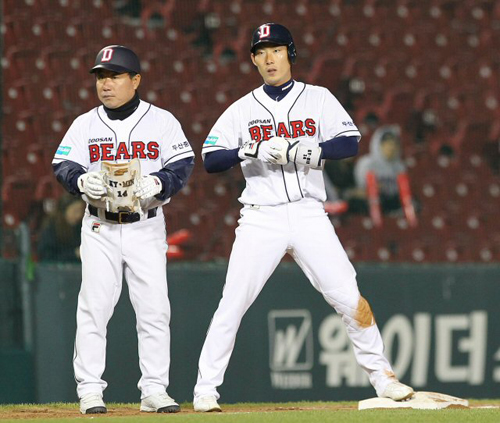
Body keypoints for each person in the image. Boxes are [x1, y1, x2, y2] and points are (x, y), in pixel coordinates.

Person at [193, 23, 414, 413]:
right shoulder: (243, 109)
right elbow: (211, 158)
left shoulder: (318, 99)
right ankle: (205, 390)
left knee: (349, 298)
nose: (268, 58)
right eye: (261, 52)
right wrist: (251, 149)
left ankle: (384, 378)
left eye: (276, 50)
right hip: (261, 216)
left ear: (289, 54)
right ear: (253, 60)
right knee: (233, 302)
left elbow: (350, 142)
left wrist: (303, 150)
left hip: (310, 213)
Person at [52, 45, 194, 414]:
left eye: (115, 76)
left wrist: (162, 182)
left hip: (145, 226)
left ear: (136, 80)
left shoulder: (161, 121)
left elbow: (183, 162)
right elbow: (62, 163)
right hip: (99, 225)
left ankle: (154, 390)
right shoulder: (85, 123)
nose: (106, 84)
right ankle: (90, 390)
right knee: (94, 308)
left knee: (154, 311)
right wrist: (81, 180)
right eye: (101, 76)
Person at [354, 125, 406, 215]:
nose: (391, 148)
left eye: (394, 144)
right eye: (388, 144)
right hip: (370, 203)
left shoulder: (400, 167)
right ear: (378, 144)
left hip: (392, 203)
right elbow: (361, 190)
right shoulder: (367, 163)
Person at [37, 194, 85, 262]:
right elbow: (47, 256)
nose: (79, 215)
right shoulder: (51, 228)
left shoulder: (81, 227)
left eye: (81, 211)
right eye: (75, 211)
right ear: (64, 210)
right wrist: (73, 254)